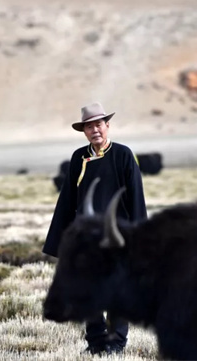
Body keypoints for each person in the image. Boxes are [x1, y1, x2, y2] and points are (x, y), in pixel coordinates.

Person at [43, 102, 148, 355]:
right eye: (89, 127)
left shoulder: (123, 155)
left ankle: (116, 343)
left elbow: (136, 198)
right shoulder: (79, 157)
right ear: (84, 132)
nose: (95, 130)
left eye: (98, 125)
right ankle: (96, 341)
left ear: (107, 126)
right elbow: (67, 200)